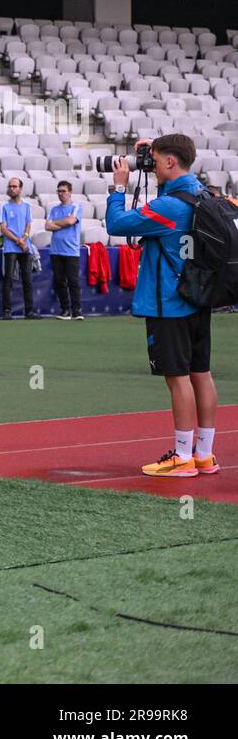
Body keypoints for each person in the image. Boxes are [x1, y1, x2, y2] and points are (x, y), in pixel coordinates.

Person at [105, 134, 221, 480]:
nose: (149, 165)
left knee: (177, 378)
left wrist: (118, 188)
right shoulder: (201, 195)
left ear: (171, 162)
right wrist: (152, 156)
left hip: (168, 304)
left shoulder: (169, 207)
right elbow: (165, 217)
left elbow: (117, 224)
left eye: (154, 160)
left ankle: (182, 457)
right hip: (197, 299)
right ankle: (203, 454)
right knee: (201, 372)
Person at [0, 177, 38, 319]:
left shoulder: (27, 206)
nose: (12, 189)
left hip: (25, 247)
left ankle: (29, 311)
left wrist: (24, 238)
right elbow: (3, 228)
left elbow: (28, 225)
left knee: (27, 279)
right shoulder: (4, 207)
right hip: (11, 248)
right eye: (10, 186)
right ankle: (7, 311)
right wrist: (18, 241)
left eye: (14, 186)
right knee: (8, 279)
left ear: (20, 189)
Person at [45, 180, 83, 320]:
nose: (61, 194)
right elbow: (47, 227)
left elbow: (71, 221)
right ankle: (65, 310)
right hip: (56, 250)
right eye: (59, 191)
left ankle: (77, 311)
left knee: (73, 281)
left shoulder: (76, 207)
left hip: (71, 251)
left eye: (63, 191)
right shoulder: (54, 209)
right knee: (60, 281)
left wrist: (56, 223)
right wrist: (63, 222)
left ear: (70, 192)